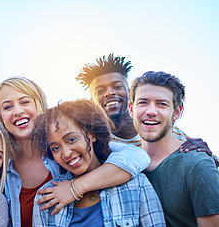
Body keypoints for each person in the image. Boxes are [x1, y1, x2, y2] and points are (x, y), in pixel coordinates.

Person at [0, 76, 151, 227]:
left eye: (25, 102)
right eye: (8, 107)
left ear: (40, 105)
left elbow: (137, 157)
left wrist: (75, 187)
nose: (17, 111)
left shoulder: (66, 154)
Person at [31, 99, 173, 227]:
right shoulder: (47, 195)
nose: (66, 153)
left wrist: (75, 188)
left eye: (71, 139)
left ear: (91, 134)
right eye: (55, 148)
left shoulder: (136, 183)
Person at [128, 71, 219, 227]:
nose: (151, 111)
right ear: (131, 109)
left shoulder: (197, 165)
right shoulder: (127, 168)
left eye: (161, 104)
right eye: (143, 102)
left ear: (176, 112)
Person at [75, 54, 219, 167]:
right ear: (92, 101)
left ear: (130, 94)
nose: (109, 93)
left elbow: (209, 165)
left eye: (117, 87)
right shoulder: (95, 142)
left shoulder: (168, 130)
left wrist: (205, 155)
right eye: (100, 91)